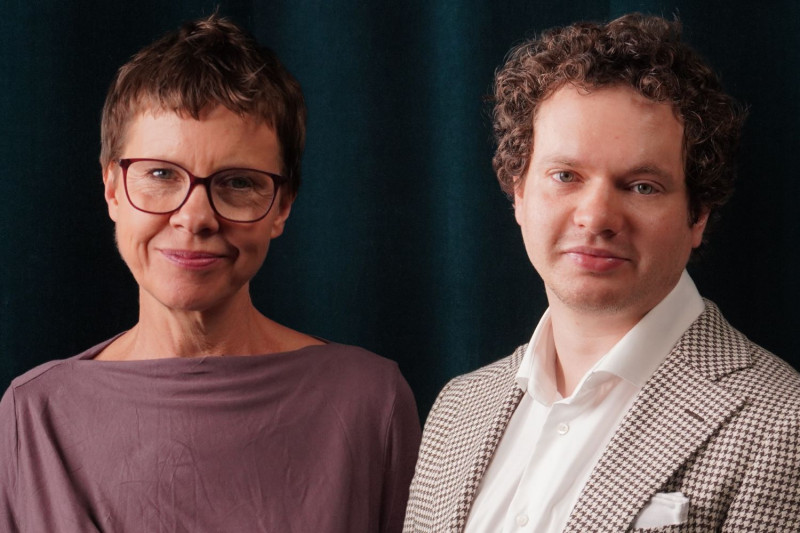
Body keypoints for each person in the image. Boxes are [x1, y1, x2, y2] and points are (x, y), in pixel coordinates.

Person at [0, 15, 421, 532]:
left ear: (282, 206)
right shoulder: (33, 416)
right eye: (160, 174)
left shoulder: (369, 401)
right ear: (112, 189)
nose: (195, 217)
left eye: (238, 182)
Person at [404, 13, 800, 532]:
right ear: (519, 192)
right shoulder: (458, 409)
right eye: (565, 175)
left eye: (642, 186)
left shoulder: (782, 423)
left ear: (698, 215)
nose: (596, 218)